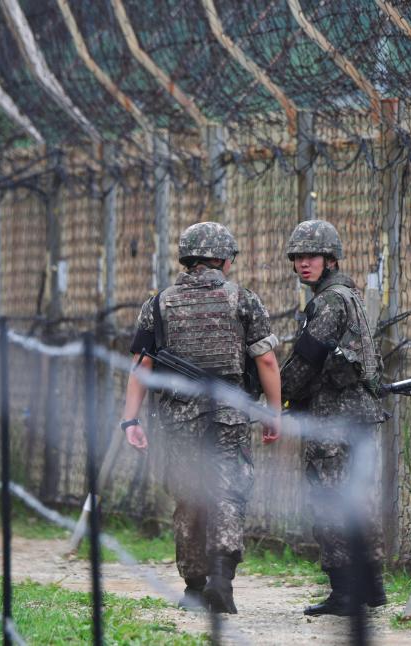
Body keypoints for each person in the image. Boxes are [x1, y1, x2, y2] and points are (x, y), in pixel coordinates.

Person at [120, 222, 281, 614]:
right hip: (228, 414)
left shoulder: (158, 303)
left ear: (187, 258)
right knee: (227, 492)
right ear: (224, 259)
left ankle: (194, 585)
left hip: (178, 417)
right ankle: (222, 580)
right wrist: (273, 413)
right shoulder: (242, 299)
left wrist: (130, 421)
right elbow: (266, 359)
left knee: (189, 496)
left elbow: (141, 365)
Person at [279, 219, 387, 616]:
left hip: (334, 420)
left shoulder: (328, 302)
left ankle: (345, 592)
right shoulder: (348, 295)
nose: (304, 263)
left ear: (330, 259)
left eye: (312, 256)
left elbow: (307, 361)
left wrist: (277, 391)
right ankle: (371, 585)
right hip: (356, 417)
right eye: (298, 257)